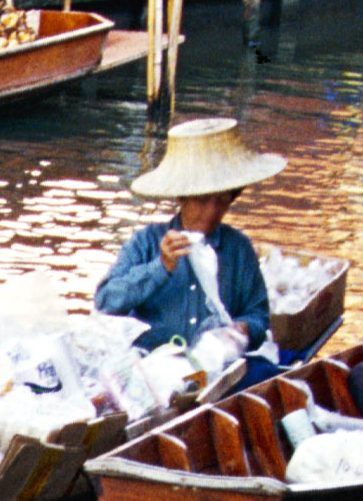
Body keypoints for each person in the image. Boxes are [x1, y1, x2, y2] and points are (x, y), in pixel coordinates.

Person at [92, 119, 283, 362]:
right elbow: (106, 302)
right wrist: (159, 267)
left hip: (216, 368)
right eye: (203, 200)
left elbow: (257, 315)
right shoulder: (147, 242)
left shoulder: (238, 249)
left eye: (222, 200)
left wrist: (243, 329)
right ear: (182, 198)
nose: (212, 212)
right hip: (153, 367)